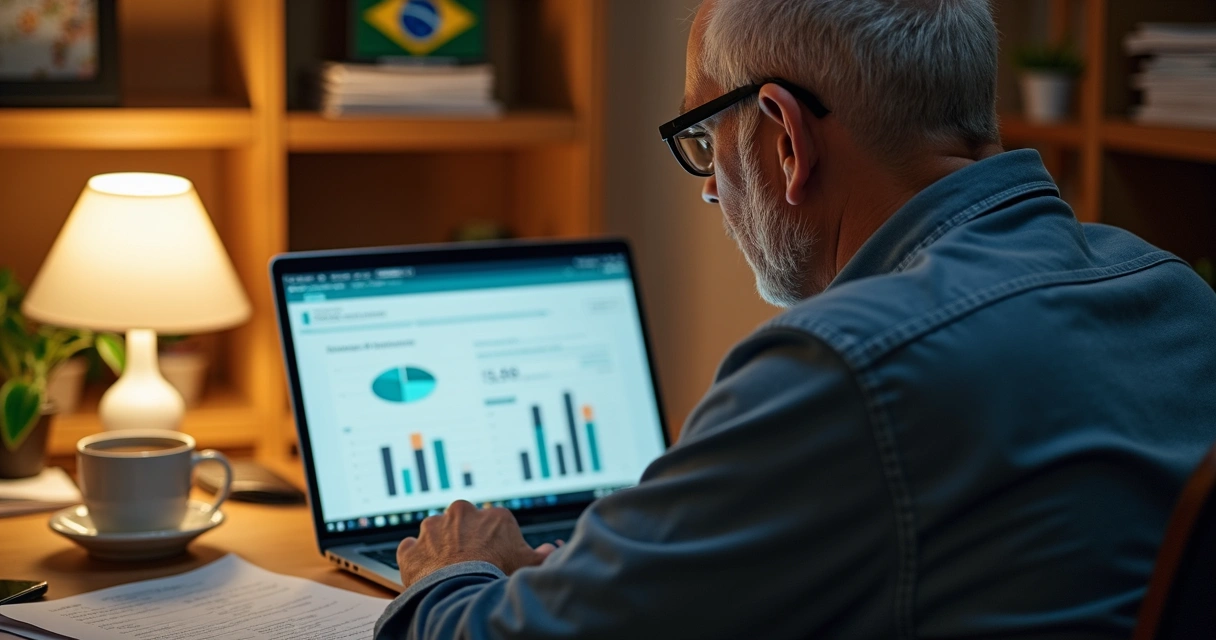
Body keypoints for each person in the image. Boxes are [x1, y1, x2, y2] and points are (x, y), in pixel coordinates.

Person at [375, 1, 1216, 637]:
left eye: (706, 138)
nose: (709, 186)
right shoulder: (1172, 291)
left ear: (783, 137)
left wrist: (455, 571)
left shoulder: (847, 365)